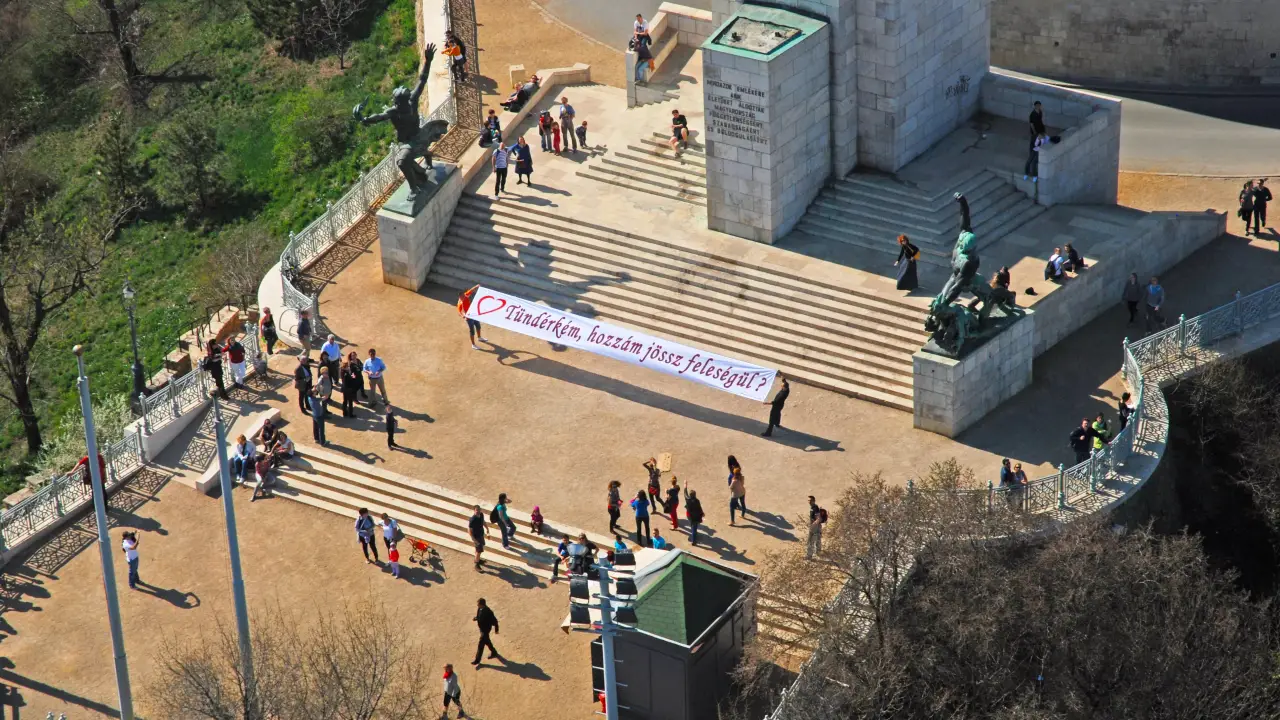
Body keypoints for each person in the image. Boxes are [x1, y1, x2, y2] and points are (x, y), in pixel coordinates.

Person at [472, 598, 501, 665]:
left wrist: (496, 629)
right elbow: (479, 616)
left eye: (478, 604)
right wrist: (476, 618)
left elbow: (495, 621)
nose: (477, 605)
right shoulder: (480, 608)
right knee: (487, 641)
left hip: (486, 630)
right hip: (481, 629)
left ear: (482, 605)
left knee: (481, 644)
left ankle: (477, 660)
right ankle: (494, 652)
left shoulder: (489, 612)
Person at [458, 285, 486, 349]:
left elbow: (471, 290)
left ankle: (479, 338)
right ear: (460, 297)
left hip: (473, 314)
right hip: (468, 318)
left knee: (478, 326)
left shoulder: (465, 295)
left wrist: (476, 287)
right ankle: (473, 345)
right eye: (463, 296)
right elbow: (460, 312)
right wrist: (463, 315)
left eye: (464, 295)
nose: (464, 296)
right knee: (472, 331)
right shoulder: (460, 303)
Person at [310, 367, 330, 445]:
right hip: (319, 415)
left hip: (314, 414)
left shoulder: (310, 398)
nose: (316, 391)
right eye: (315, 392)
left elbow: (312, 392)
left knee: (315, 427)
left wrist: (314, 388)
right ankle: (323, 442)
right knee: (321, 429)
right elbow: (324, 398)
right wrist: (326, 395)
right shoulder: (316, 399)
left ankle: (316, 439)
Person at [806, 495, 824, 559]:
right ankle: (818, 552)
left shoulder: (815, 508)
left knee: (811, 541)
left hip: (815, 527)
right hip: (818, 527)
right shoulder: (813, 507)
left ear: (814, 501)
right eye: (808, 500)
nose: (809, 502)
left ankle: (809, 556)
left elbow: (818, 518)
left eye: (810, 501)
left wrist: (812, 526)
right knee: (818, 539)